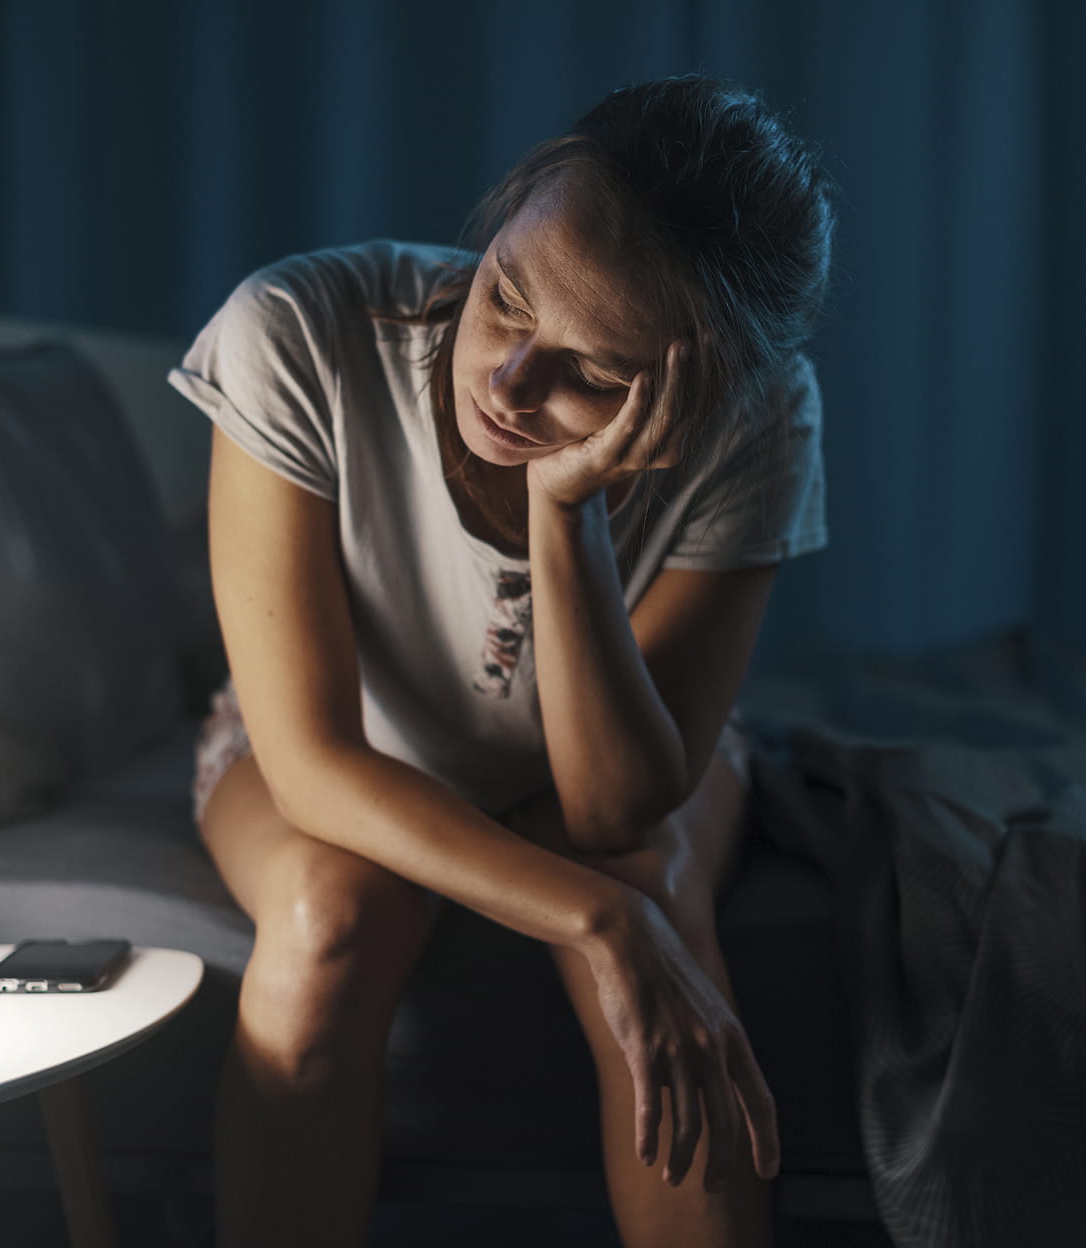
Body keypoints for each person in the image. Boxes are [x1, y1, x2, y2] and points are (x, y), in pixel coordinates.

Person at [169, 72, 837, 1248]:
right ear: (498, 221)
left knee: (647, 872)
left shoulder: (762, 414)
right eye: (505, 295)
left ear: (699, 393)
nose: (510, 383)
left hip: (616, 756)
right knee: (328, 915)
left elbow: (613, 805)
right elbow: (311, 762)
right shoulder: (298, 333)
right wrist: (597, 924)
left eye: (591, 375)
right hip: (350, 743)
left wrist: (566, 512)